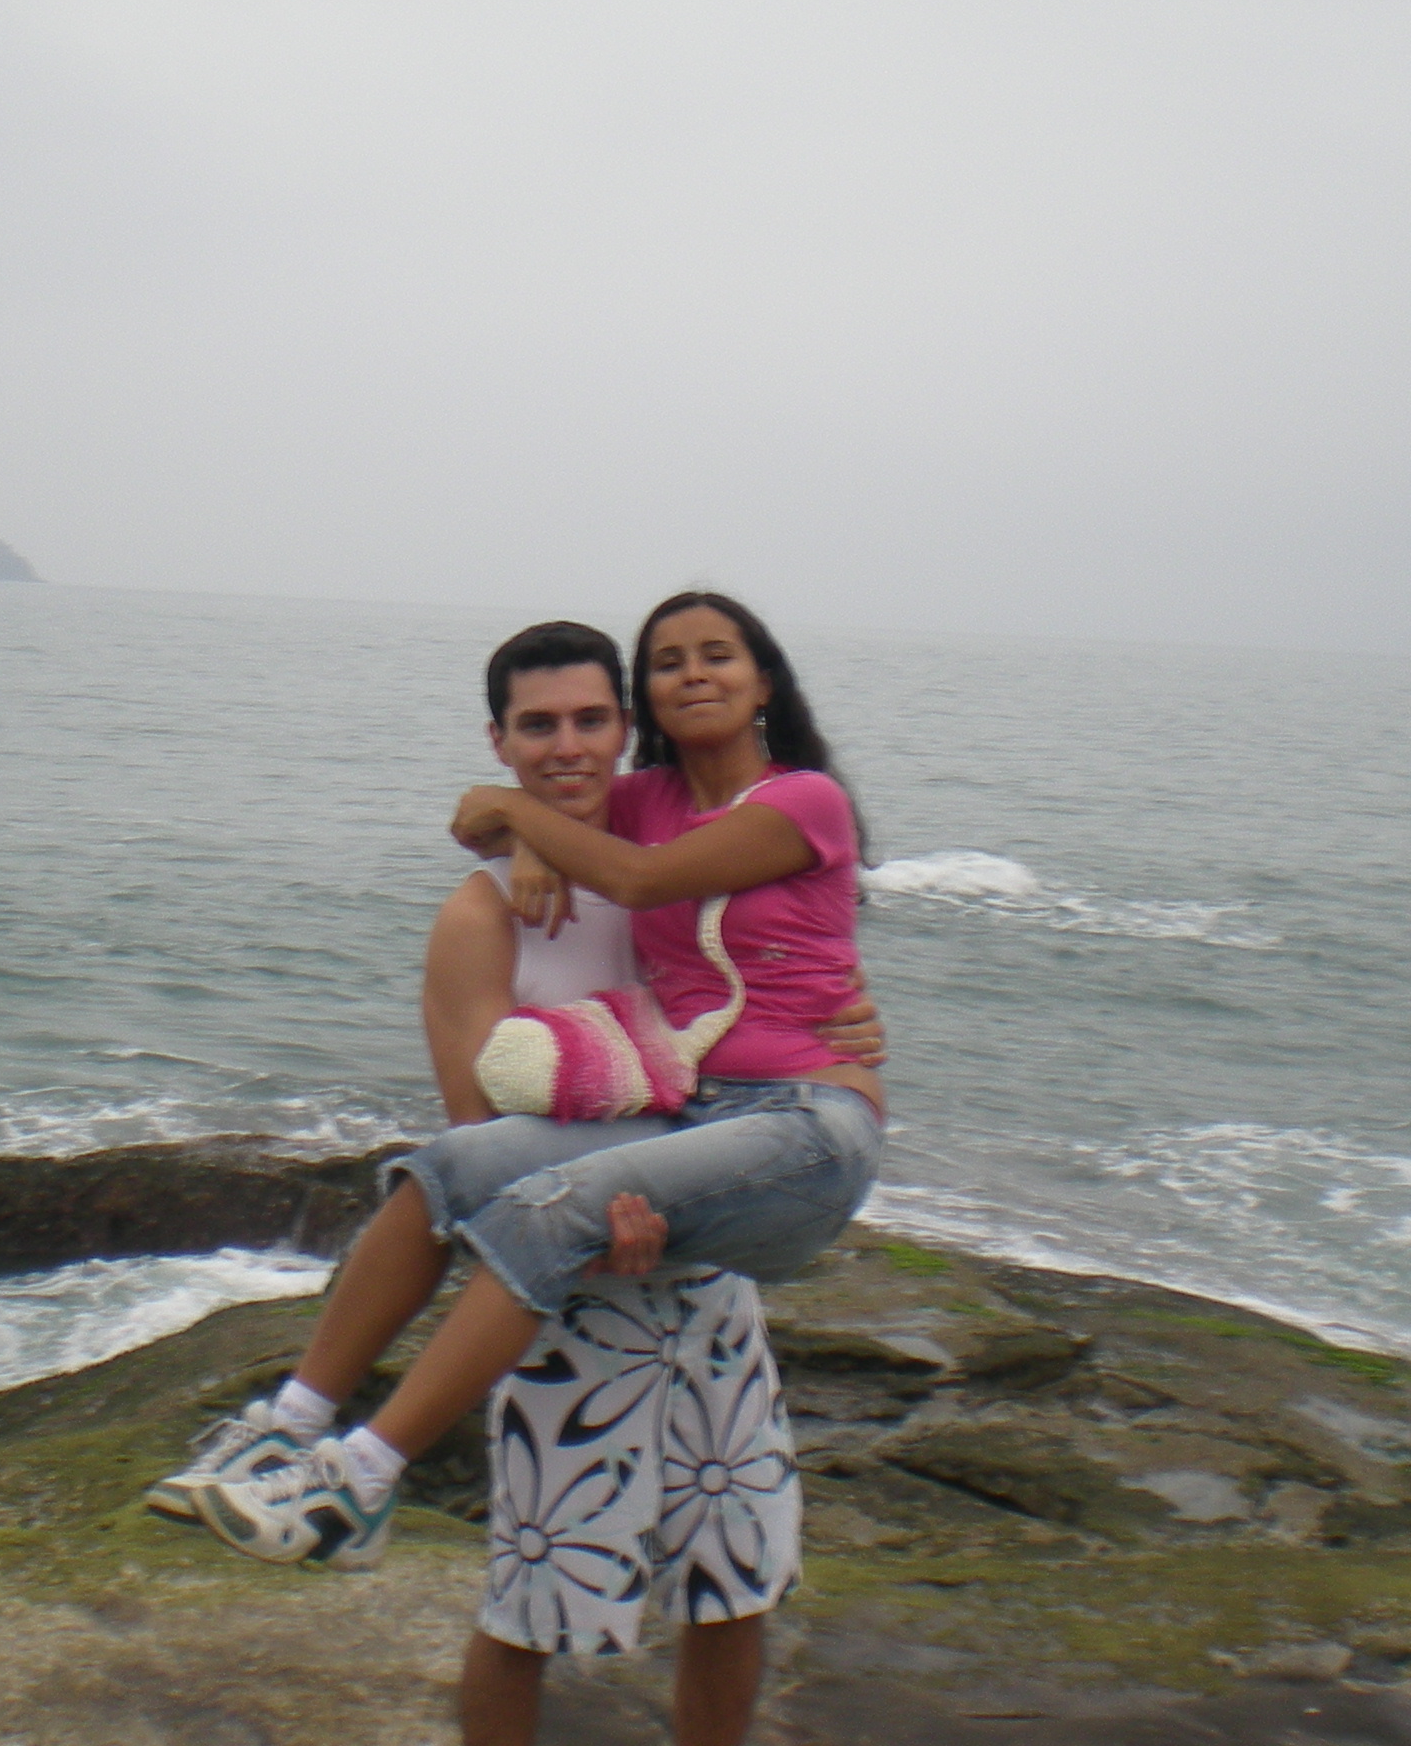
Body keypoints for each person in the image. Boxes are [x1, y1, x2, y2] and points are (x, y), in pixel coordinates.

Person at [153, 592, 884, 1741]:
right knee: (536, 1600)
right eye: (538, 727)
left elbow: (734, 942)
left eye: (590, 720)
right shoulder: (489, 913)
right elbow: (482, 1140)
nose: (568, 746)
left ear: (627, 728)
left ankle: (349, 1469)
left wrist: (528, 826)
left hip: (702, 1252)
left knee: (731, 1577)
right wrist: (517, 832)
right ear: (499, 738)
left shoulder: (664, 842)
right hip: (566, 1284)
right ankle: (308, 1437)